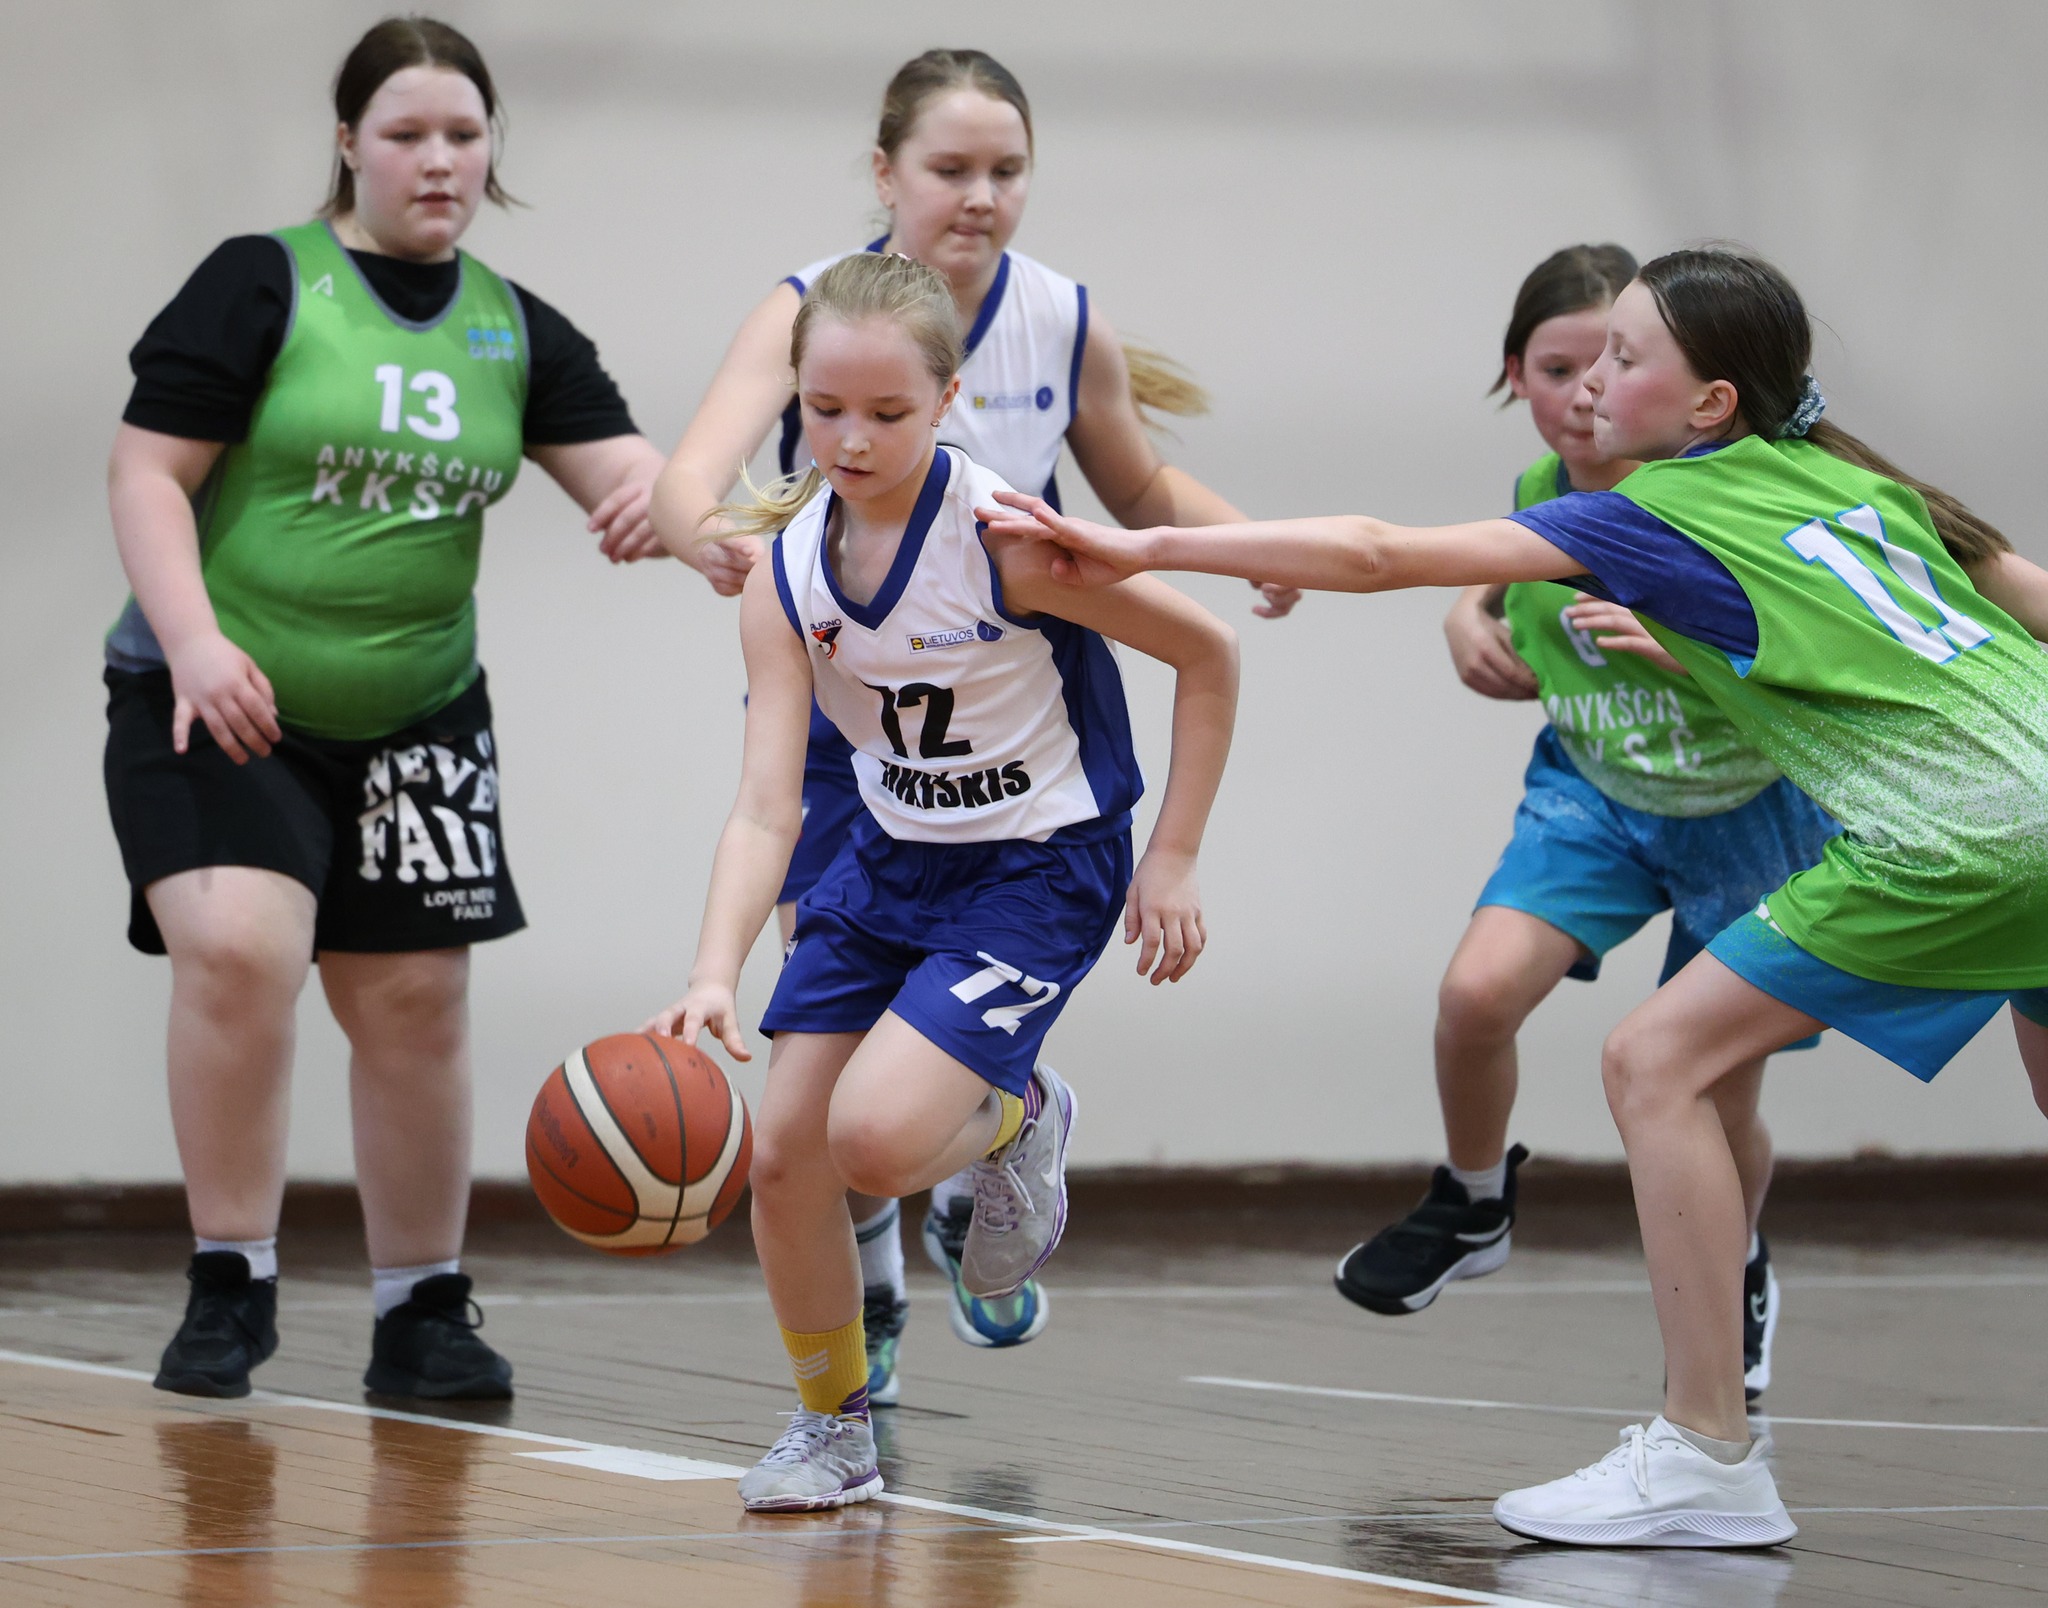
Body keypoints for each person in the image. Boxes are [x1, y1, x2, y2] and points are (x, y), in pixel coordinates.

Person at [980, 245, 2048, 1547]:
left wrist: (1145, 541)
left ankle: (1707, 1453)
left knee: (1654, 1063)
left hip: (1964, 838)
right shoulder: (1843, 478)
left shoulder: (1660, 509)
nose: (1593, 380)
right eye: (1582, 358)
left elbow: (1376, 552)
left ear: (1709, 404)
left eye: (1624, 357)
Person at [649, 47, 1285, 1396]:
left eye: (1007, 169)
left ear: (942, 402)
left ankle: (992, 1132)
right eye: (951, 167)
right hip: (850, 717)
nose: (980, 194)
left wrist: (1244, 543)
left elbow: (1138, 486)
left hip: (1005, 708)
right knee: (814, 1095)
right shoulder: (810, 319)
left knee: (883, 1107)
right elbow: (689, 481)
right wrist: (720, 540)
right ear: (885, 174)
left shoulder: (1053, 334)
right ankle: (863, 1330)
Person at [104, 17, 682, 1401]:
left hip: (419, 711)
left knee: (418, 999)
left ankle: (421, 1310)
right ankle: (230, 1279)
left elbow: (644, 480)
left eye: (464, 136)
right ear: (348, 143)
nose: (439, 160)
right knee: (240, 950)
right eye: (408, 133)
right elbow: (145, 474)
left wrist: (703, 520)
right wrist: (194, 642)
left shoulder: (513, 326)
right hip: (222, 689)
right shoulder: (262, 282)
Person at [1334, 245, 1836, 1408]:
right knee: (1474, 996)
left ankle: (1734, 1264)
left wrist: (1693, 648)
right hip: (1596, 792)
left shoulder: (1724, 498)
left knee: (1715, 1094)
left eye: (1609, 361)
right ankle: (1471, 1201)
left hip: (1747, 808)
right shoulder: (1535, 488)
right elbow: (1494, 558)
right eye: (1556, 369)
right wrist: (1465, 615)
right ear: (1513, 373)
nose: (1582, 392)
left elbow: (1819, 644)